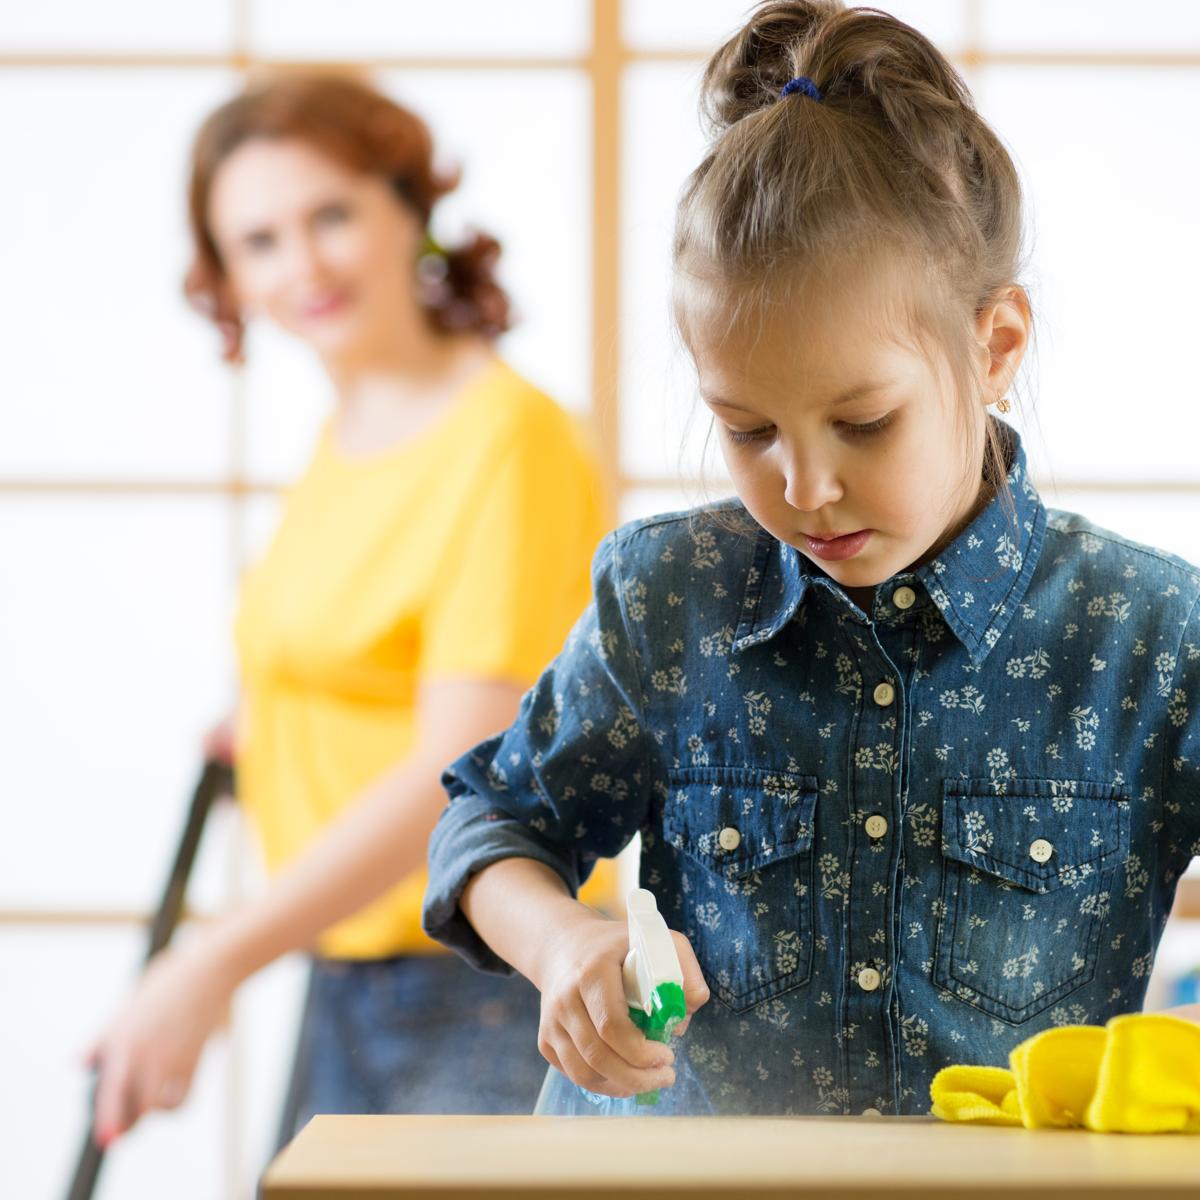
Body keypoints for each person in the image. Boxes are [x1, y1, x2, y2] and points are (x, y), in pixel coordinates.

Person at [421, 0, 1200, 1118]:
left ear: (996, 348)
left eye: (865, 423)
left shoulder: (1149, 634)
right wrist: (563, 948)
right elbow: (489, 820)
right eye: (747, 430)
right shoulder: (670, 596)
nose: (806, 486)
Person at [87, 71, 613, 1146]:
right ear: (225, 273)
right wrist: (273, 726)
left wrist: (210, 961)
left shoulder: (511, 440)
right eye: (260, 240)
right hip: (351, 971)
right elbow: (352, 663)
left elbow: (455, 767)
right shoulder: (342, 439)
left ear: (409, 210)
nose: (305, 264)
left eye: (332, 215)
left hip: (482, 979)